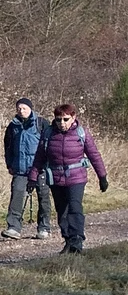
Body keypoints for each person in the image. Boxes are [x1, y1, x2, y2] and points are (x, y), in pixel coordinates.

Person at [30, 103, 109, 254]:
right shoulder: (48, 134)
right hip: (56, 178)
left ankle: (77, 241)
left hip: (76, 178)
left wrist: (102, 177)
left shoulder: (81, 133)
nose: (62, 123)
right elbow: (39, 157)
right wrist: (32, 178)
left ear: (73, 117)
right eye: (58, 119)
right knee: (62, 211)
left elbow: (94, 155)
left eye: (65, 119)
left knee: (75, 207)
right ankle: (68, 240)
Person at [3, 98, 55, 240]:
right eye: (19, 108)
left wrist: (47, 164)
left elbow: (50, 145)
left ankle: (44, 227)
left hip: (40, 169)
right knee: (16, 197)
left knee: (43, 198)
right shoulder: (13, 126)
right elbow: (7, 146)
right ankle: (13, 228)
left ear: (30, 108)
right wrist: (9, 164)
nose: (21, 111)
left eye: (24, 108)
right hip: (20, 169)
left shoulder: (41, 123)